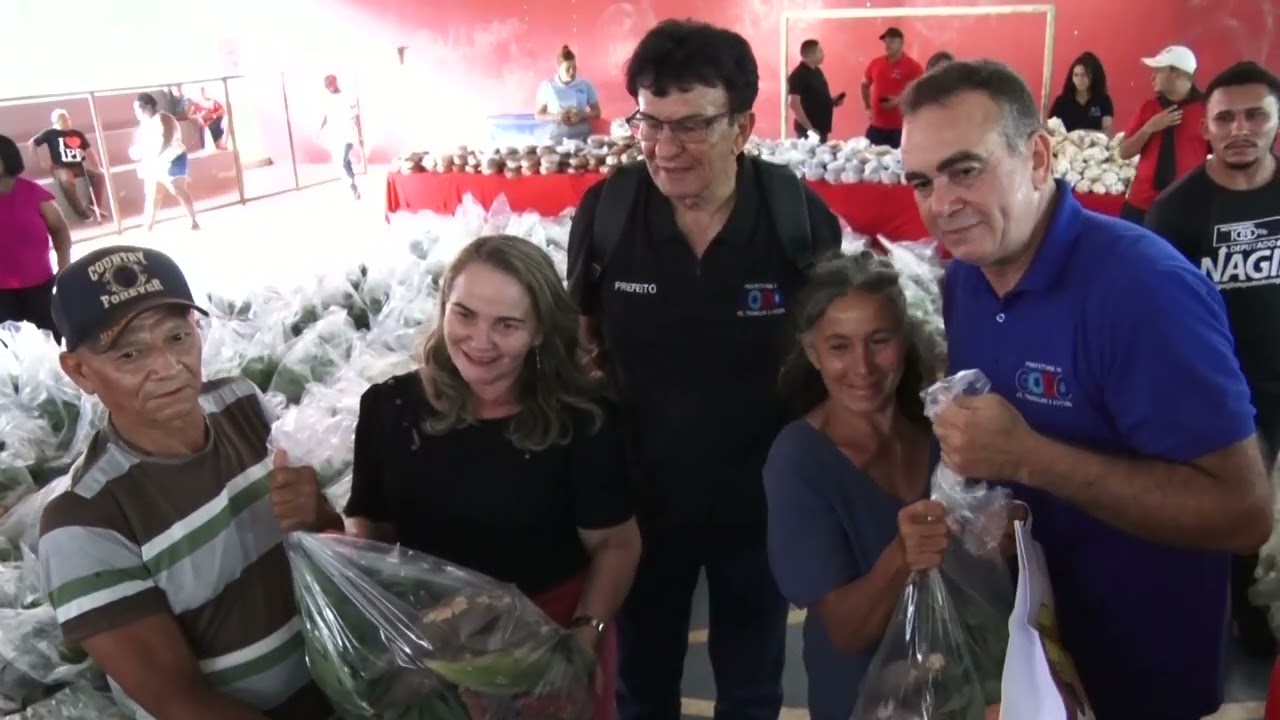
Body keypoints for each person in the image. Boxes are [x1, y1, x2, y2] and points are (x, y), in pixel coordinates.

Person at [898, 58, 1273, 720]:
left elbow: (1242, 514)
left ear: (1038, 156)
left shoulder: (1142, 288)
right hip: (1031, 655)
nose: (941, 204)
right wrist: (979, 507)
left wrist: (1027, 457)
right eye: (921, 182)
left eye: (965, 170)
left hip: (1142, 666)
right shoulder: (965, 281)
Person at [566, 19, 843, 720]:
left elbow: (836, 355)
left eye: (689, 126)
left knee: (752, 684)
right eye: (649, 123)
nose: (663, 148)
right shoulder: (609, 213)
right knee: (642, 684)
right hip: (641, 510)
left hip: (761, 508)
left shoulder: (795, 220)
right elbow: (582, 342)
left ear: (742, 126)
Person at [344, 234, 640, 720]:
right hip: (428, 651)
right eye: (464, 314)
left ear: (540, 331)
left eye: (506, 324)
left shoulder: (581, 422)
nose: (479, 341)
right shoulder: (388, 408)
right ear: (443, 308)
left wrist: (584, 638)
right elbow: (370, 520)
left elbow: (617, 544)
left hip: (545, 646)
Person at [37, 245, 337, 718]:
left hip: (335, 680)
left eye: (178, 337)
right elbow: (183, 705)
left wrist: (316, 514)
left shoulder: (242, 404)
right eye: (131, 353)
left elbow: (325, 544)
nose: (169, 367)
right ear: (79, 371)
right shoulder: (82, 521)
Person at [763, 251, 974, 720]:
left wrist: (1000, 535)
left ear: (905, 340)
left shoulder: (941, 433)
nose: (863, 367)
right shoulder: (798, 461)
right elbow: (846, 631)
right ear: (813, 353)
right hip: (865, 704)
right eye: (839, 346)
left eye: (879, 341)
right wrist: (902, 555)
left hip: (962, 693)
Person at [1145, 60, 1280, 659]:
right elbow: (1158, 322)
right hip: (1218, 404)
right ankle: (1229, 633)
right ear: (1206, 127)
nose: (1239, 129)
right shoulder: (1176, 212)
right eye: (1225, 117)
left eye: (1255, 115)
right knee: (1229, 532)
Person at [1116, 45, 1207, 224]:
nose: (1152, 76)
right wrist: (1149, 128)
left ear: (1176, 73)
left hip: (1187, 205)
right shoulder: (1148, 108)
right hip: (1141, 204)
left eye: (1158, 70)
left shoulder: (1207, 109)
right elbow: (1124, 152)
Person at [0, 134, 71, 339]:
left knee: (52, 341)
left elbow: (59, 229)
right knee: (10, 347)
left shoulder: (32, 192)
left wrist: (64, 264)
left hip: (40, 287)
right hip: (1, 295)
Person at [131, 92, 200, 231]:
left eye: (138, 108)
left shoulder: (163, 118)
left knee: (178, 190)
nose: (136, 112)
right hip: (155, 163)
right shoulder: (144, 126)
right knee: (152, 193)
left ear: (148, 106)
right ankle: (148, 225)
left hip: (174, 158)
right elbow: (142, 147)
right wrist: (138, 154)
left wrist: (154, 158)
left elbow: (166, 139)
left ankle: (193, 220)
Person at [30, 109, 110, 222]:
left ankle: (93, 205)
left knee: (99, 176)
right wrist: (39, 162)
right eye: (64, 119)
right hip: (60, 167)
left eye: (68, 118)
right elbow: (32, 143)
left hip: (78, 166)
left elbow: (89, 150)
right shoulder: (50, 133)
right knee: (67, 181)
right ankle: (80, 212)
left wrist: (98, 165)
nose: (67, 121)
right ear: (56, 121)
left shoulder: (77, 134)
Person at [860, 27, 924, 149]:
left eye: (892, 42)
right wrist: (867, 107)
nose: (888, 45)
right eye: (886, 42)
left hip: (900, 128)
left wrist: (899, 100)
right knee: (870, 160)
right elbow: (864, 85)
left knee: (898, 164)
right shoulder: (876, 63)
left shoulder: (914, 67)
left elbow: (921, 91)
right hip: (876, 127)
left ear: (901, 43)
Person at [535, 45, 602, 142]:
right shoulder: (547, 86)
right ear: (558, 68)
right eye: (568, 69)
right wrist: (556, 116)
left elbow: (597, 113)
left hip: (582, 135)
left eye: (574, 67)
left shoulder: (585, 84)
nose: (572, 72)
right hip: (556, 136)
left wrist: (581, 115)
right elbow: (539, 115)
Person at [788, 39, 845, 143]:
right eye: (820, 51)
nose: (823, 54)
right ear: (810, 54)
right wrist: (810, 129)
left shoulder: (817, 71)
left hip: (821, 129)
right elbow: (794, 104)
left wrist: (831, 102)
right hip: (808, 132)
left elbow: (815, 98)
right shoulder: (798, 75)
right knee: (809, 158)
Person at [1048, 52, 1115, 133]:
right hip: (1067, 144)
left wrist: (1084, 134)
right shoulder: (1061, 102)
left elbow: (1108, 131)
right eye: (1076, 75)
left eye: (1084, 75)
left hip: (1096, 144)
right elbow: (1051, 128)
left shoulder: (1103, 101)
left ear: (1093, 76)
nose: (1079, 79)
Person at [320, 74, 362, 200]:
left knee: (344, 160)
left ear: (336, 82)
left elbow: (356, 116)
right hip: (335, 134)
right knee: (344, 162)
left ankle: (353, 186)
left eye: (331, 84)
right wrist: (321, 129)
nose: (330, 87)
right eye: (327, 86)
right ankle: (352, 184)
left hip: (347, 133)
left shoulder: (347, 97)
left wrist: (360, 136)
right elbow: (327, 116)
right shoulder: (327, 99)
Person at [187, 85, 228, 151]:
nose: (203, 93)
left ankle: (222, 148)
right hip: (205, 127)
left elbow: (222, 111)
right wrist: (199, 116)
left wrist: (213, 115)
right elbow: (190, 116)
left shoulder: (214, 102)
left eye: (204, 91)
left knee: (220, 145)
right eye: (202, 91)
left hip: (215, 125)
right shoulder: (196, 104)